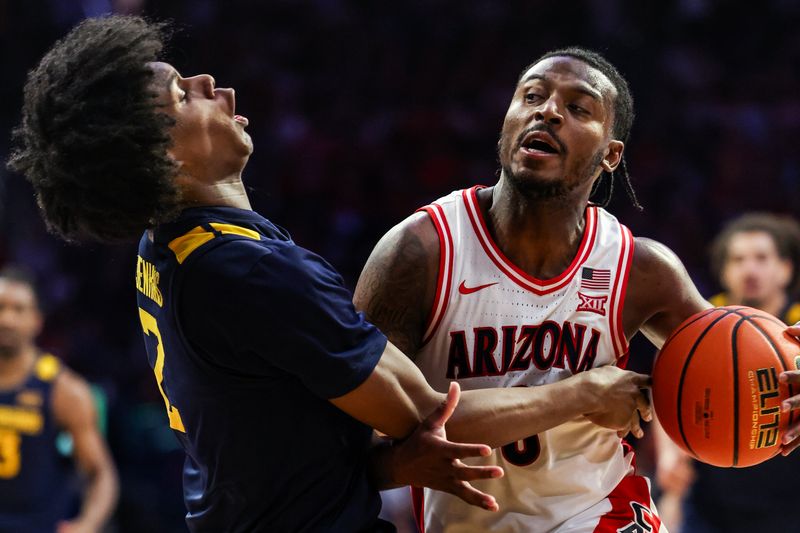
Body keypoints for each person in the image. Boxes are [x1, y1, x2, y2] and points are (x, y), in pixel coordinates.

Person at [8, 17, 655, 532]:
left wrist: (391, 464)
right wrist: (586, 393)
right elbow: (430, 411)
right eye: (184, 95)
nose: (211, 84)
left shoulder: (168, 243)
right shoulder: (252, 273)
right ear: (159, 155)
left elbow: (279, 438)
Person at [353, 47, 800, 532]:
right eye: (531, 96)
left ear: (611, 154)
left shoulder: (639, 267)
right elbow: (357, 439)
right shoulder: (419, 253)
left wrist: (789, 382)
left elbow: (737, 364)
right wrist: (583, 393)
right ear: (506, 123)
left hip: (605, 513)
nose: (547, 111)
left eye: (578, 107)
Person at [655, 213, 800, 533]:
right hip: (715, 493)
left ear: (785, 269)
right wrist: (669, 453)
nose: (749, 269)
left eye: (761, 258)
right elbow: (667, 387)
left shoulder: (797, 325)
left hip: (789, 494)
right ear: (723, 271)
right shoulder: (701, 322)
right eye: (738, 259)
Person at [0, 267, 118, 532]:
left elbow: (100, 474)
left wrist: (87, 524)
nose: (7, 319)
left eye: (18, 310)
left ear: (37, 320)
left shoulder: (65, 390)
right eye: (0, 308)